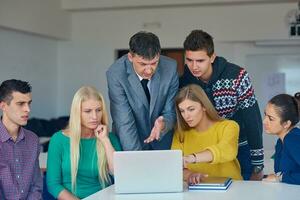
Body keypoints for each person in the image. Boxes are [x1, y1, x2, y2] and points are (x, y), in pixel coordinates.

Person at [180, 29, 264, 180]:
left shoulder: (237, 76)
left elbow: (253, 120)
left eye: (200, 61)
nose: (194, 66)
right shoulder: (185, 81)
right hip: (204, 151)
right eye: (189, 60)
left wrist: (258, 164)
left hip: (241, 147)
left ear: (212, 57)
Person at [106, 31, 178, 150]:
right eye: (143, 64)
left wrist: (163, 123)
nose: (149, 70)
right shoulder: (116, 74)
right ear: (130, 57)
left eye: (154, 63)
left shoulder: (170, 68)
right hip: (129, 142)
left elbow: (170, 112)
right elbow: (124, 123)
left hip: (163, 142)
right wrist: (137, 159)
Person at [47, 86, 122, 199]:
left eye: (98, 110)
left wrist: (105, 140)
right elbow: (53, 185)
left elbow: (118, 173)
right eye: (87, 111)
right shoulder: (58, 140)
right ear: (77, 113)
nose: (94, 116)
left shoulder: (110, 138)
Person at [171, 84, 242, 185]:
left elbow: (226, 150)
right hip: (198, 191)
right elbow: (177, 167)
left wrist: (193, 158)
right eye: (182, 111)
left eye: (191, 109)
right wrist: (191, 175)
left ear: (204, 106)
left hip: (232, 188)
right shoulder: (181, 134)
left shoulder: (229, 126)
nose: (186, 116)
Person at [0, 79, 43, 199]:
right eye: (21, 104)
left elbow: (36, 186)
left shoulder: (33, 140)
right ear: (3, 106)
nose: (27, 109)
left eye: (29, 103)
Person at [262, 93, 300, 185]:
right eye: (265, 115)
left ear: (286, 124)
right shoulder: (280, 141)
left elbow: (281, 176)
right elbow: (279, 172)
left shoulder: (292, 139)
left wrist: (281, 178)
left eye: (271, 118)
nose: (264, 121)